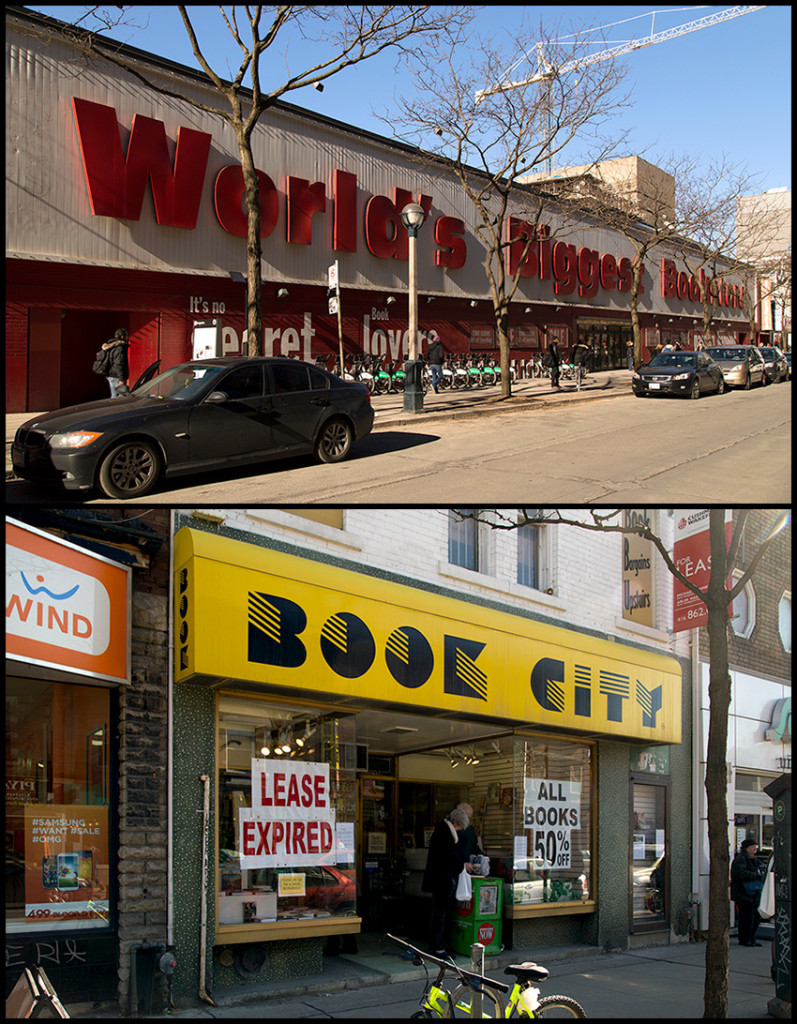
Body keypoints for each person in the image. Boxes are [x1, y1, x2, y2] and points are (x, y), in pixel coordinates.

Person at [422, 807, 470, 956]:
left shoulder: (443, 829)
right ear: (455, 822)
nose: (460, 830)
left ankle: (439, 944)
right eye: (459, 827)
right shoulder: (445, 832)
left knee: (441, 913)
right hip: (443, 879)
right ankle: (439, 946)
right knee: (441, 914)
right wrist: (461, 864)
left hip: (442, 879)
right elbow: (449, 857)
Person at [731, 839, 765, 946]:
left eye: (756, 847)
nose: (755, 850)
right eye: (752, 847)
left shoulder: (754, 860)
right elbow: (740, 874)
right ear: (746, 848)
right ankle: (745, 938)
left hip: (754, 892)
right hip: (744, 893)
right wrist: (757, 875)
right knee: (746, 917)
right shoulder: (741, 859)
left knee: (755, 918)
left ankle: (752, 938)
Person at [101, 328, 131, 397]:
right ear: (122, 336)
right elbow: (118, 364)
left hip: (110, 374)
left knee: (114, 395)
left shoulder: (110, 346)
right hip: (117, 376)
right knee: (120, 396)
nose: (127, 337)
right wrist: (121, 378)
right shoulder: (119, 348)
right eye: (126, 335)